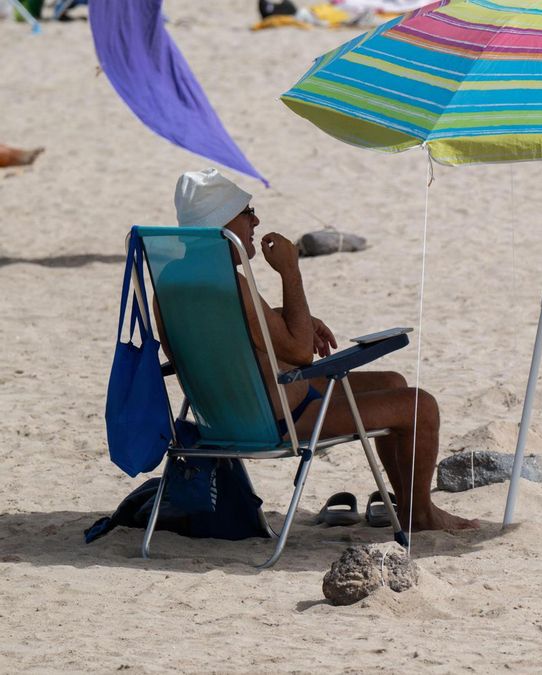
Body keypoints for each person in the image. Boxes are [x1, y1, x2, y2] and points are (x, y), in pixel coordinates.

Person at [165, 169, 478, 532]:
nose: (256, 219)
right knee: (421, 406)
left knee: (393, 380)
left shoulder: (172, 280)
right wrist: (290, 271)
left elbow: (211, 342)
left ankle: (411, 506)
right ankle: (420, 513)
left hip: (224, 417)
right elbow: (301, 354)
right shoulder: (232, 285)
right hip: (279, 420)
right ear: (222, 223)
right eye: (247, 211)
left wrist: (280, 318)